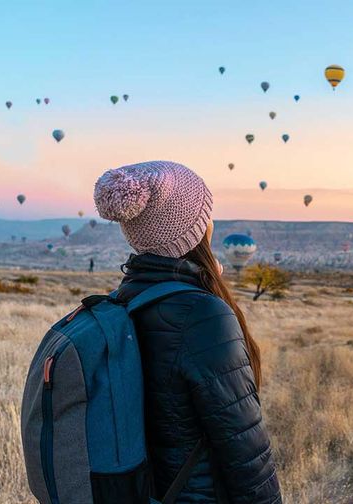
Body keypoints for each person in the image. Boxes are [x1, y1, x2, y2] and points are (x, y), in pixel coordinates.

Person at [93, 161, 281, 503]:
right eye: (206, 213)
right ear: (195, 228)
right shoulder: (202, 314)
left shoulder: (125, 299)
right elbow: (245, 448)